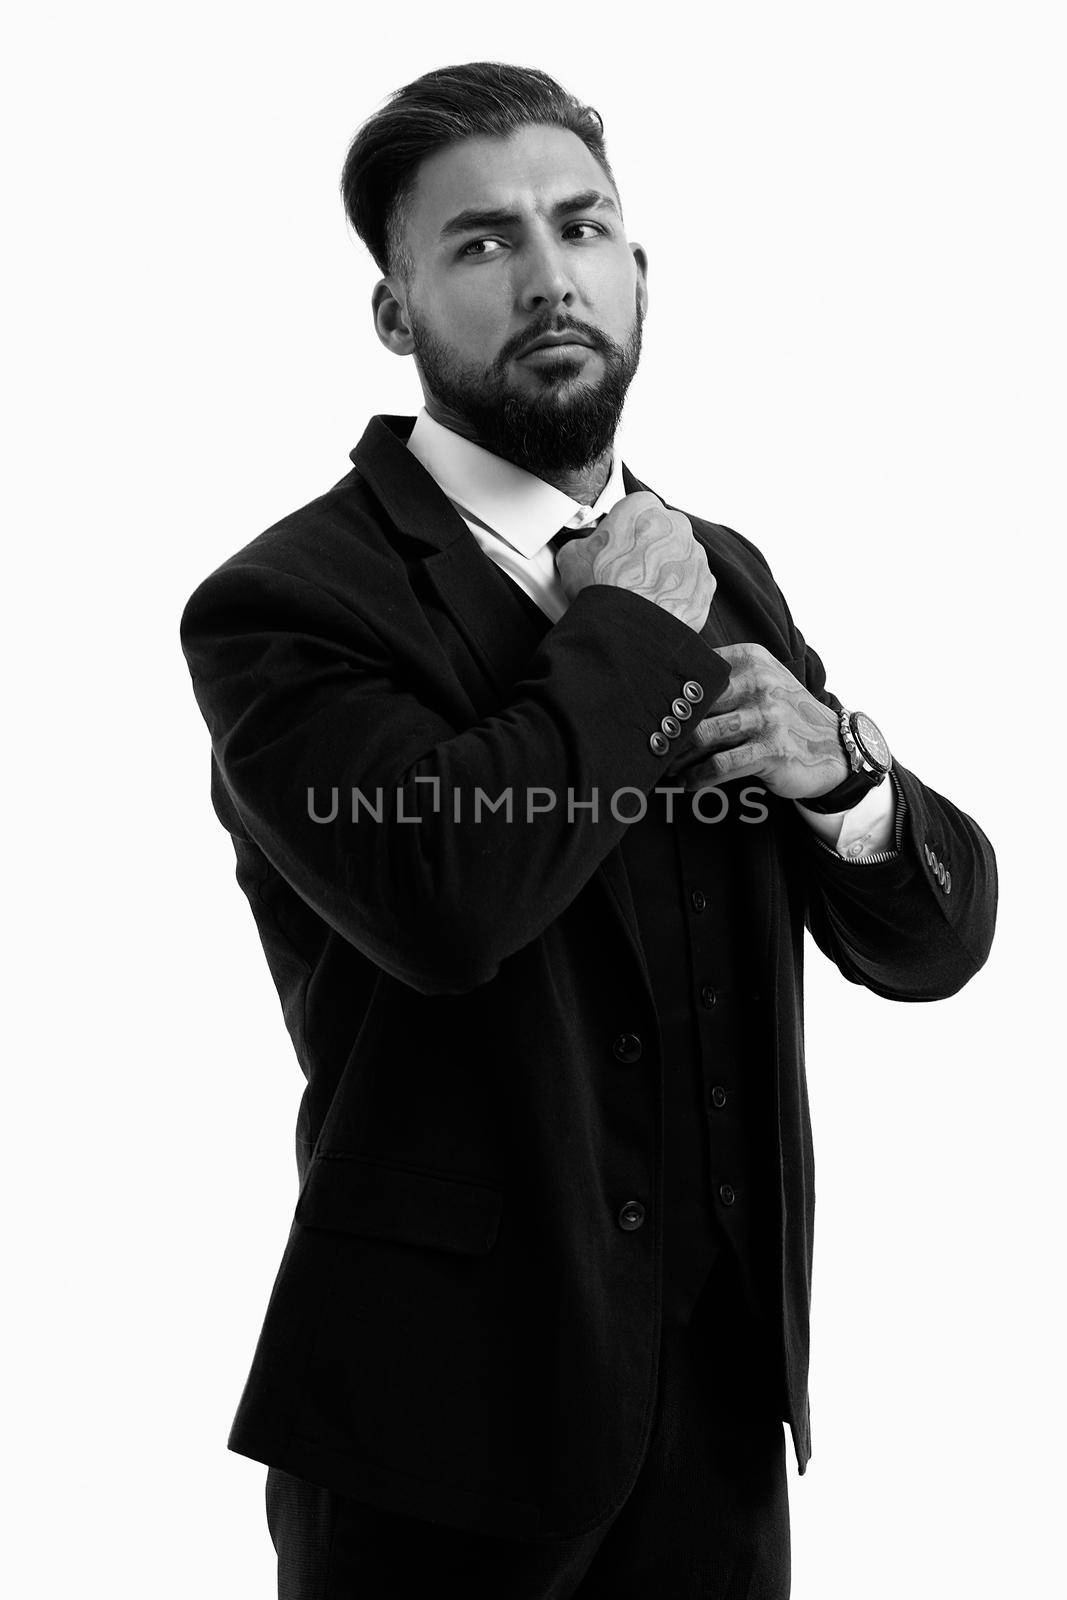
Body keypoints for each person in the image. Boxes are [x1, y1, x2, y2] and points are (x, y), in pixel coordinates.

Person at [179, 61, 998, 1600]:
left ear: (638, 269)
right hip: (440, 1424)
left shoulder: (720, 566)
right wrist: (622, 625)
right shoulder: (286, 603)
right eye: (482, 243)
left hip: (719, 1418)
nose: (550, 275)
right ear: (396, 310)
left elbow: (938, 942)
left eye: (583, 226)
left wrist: (843, 781)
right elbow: (445, 898)